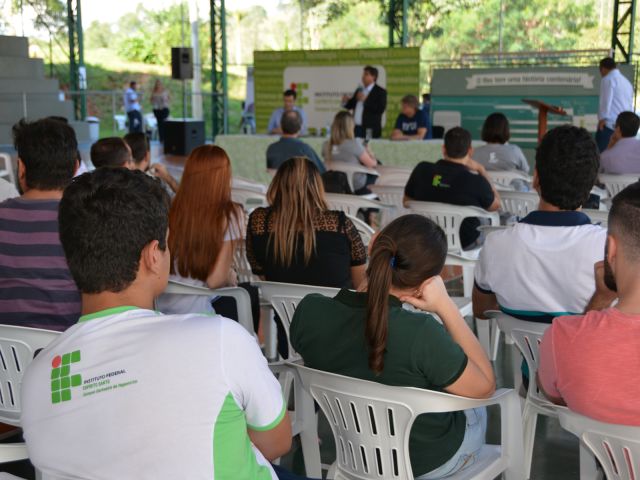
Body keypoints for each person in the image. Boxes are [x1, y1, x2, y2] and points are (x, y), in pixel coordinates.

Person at [20, 167, 299, 479]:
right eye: (167, 244)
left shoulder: (36, 377)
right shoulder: (220, 339)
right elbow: (276, 442)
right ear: (153, 255)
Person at [291, 214, 495, 478]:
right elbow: (485, 387)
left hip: (357, 455)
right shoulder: (420, 333)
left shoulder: (310, 312)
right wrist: (446, 307)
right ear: (425, 283)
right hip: (428, 462)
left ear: (374, 243)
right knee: (477, 404)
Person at [473, 125, 605, 324]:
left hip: (531, 355)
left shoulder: (495, 245)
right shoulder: (607, 250)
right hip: (589, 353)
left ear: (535, 179)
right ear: (590, 187)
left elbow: (481, 310)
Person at [538, 182, 640, 425]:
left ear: (611, 249)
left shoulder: (562, 337)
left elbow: (554, 394)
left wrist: (601, 298)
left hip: (611, 462)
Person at [247, 157, 367, 356]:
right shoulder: (339, 224)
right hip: (340, 341)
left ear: (277, 184)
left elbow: (263, 274)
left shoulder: (259, 222)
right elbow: (361, 284)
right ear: (317, 187)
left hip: (290, 339)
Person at [155, 145, 259, 331]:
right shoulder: (230, 214)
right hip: (200, 316)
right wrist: (229, 276)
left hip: (161, 311)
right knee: (248, 293)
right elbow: (215, 280)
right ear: (223, 177)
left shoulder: (170, 208)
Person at [0, 118, 80, 330]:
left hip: (6, 355)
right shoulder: (87, 220)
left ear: (21, 167)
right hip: (70, 352)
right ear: (75, 167)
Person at [404, 127, 500, 250]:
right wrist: (481, 170)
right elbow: (496, 206)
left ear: (443, 149)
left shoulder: (422, 169)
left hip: (427, 238)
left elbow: (406, 202)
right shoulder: (477, 181)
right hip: (464, 242)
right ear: (470, 151)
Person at [321, 111, 377, 194]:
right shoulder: (354, 144)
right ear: (351, 126)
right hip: (355, 186)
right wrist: (369, 151)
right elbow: (372, 164)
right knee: (376, 172)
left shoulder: (326, 145)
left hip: (334, 185)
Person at [597, 57, 633, 152]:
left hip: (609, 125)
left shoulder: (608, 79)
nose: (601, 74)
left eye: (600, 71)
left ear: (603, 69)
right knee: (620, 154)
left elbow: (606, 100)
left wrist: (602, 119)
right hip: (624, 126)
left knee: (603, 155)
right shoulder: (626, 82)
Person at [342, 65, 387, 139]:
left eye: (366, 74)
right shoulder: (359, 90)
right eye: (363, 74)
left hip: (370, 129)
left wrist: (365, 100)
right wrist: (345, 102)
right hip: (356, 128)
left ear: (374, 77)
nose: (363, 76)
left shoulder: (380, 92)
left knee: (368, 148)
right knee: (356, 149)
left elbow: (380, 109)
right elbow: (351, 105)